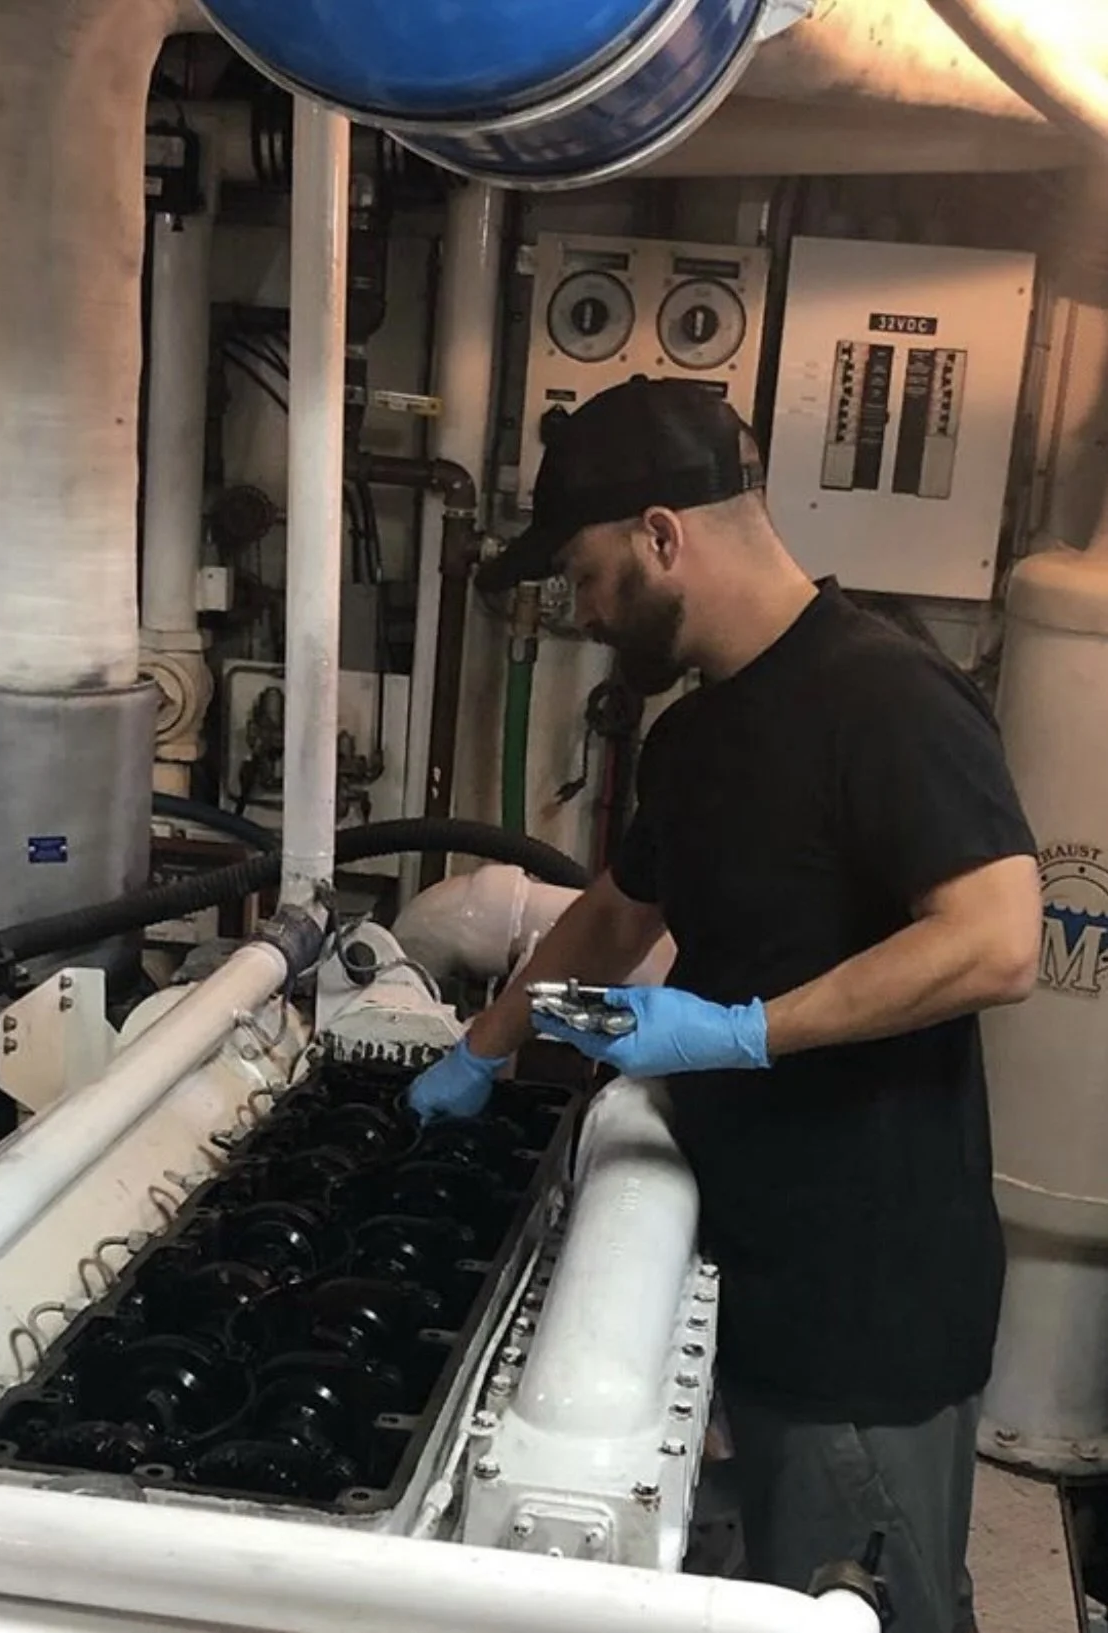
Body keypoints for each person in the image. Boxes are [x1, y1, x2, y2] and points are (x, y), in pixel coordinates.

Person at [405, 376, 1041, 1633]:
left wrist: (745, 1030)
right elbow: (612, 911)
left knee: (868, 1600)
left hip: (867, 1302)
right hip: (749, 1253)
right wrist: (482, 1047)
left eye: (587, 576)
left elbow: (996, 940)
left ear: (662, 534)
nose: (583, 613)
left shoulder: (885, 695)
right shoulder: (700, 738)